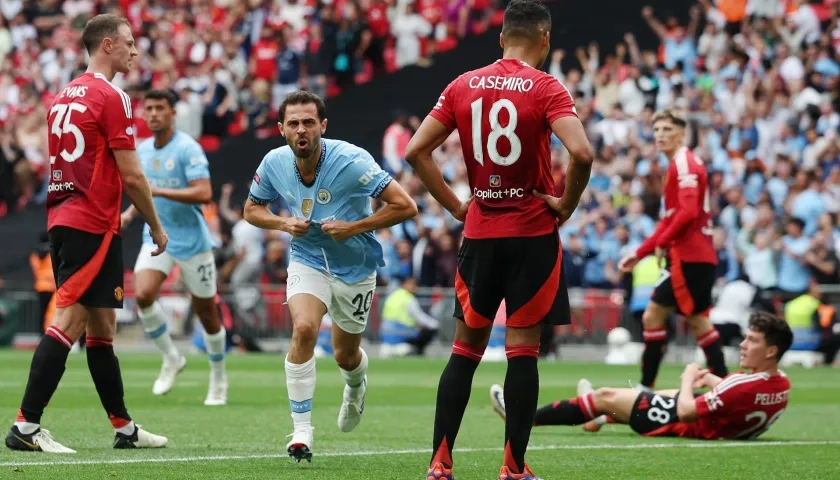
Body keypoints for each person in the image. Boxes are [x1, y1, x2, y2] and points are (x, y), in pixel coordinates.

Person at [404, 0, 594, 477]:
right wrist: (566, 205)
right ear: (545, 40)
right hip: (532, 233)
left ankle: (440, 464)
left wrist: (454, 204)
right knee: (523, 351)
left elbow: (415, 151)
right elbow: (583, 153)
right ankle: (512, 468)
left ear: (501, 37)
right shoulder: (547, 87)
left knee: (464, 352)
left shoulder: (462, 84)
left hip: (481, 231)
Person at [5, 14, 168, 453]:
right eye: (130, 43)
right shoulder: (111, 96)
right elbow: (132, 175)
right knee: (71, 320)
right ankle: (25, 425)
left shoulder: (62, 96)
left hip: (65, 215)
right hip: (91, 220)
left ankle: (124, 428)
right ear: (108, 44)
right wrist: (154, 223)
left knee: (103, 324)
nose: (136, 51)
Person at [243, 91, 417, 463]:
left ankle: (355, 387)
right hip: (307, 258)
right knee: (304, 328)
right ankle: (302, 430)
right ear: (281, 129)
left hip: (355, 268)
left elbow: (406, 205)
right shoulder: (274, 162)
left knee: (345, 355)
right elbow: (251, 209)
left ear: (323, 126)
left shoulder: (352, 160)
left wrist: (355, 227)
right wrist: (282, 222)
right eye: (293, 123)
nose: (301, 129)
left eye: (308, 122)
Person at [489, 312, 793, 440]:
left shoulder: (741, 384)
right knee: (645, 398)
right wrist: (713, 382)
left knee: (606, 395)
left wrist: (689, 378)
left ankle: (524, 418)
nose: (742, 344)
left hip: (682, 424)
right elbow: (736, 395)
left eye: (752, 341)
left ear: (771, 351)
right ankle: (601, 417)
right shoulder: (781, 384)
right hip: (717, 424)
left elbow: (687, 412)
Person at [120, 89, 228, 404]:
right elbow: (143, 194)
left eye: (159, 108)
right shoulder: (141, 150)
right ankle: (171, 357)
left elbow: (204, 193)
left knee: (207, 313)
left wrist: (159, 191)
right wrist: (129, 214)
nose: (153, 114)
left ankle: (219, 380)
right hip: (156, 235)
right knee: (142, 295)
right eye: (148, 108)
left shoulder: (187, 148)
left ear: (172, 113)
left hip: (193, 242)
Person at [617, 109, 727, 391]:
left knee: (653, 316)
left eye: (667, 130)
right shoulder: (680, 164)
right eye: (657, 130)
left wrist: (662, 243)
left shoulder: (685, 165)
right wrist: (641, 252)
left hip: (689, 257)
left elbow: (688, 212)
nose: (660, 136)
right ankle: (725, 387)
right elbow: (672, 218)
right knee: (699, 323)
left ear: (682, 133)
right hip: (696, 256)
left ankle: (644, 388)